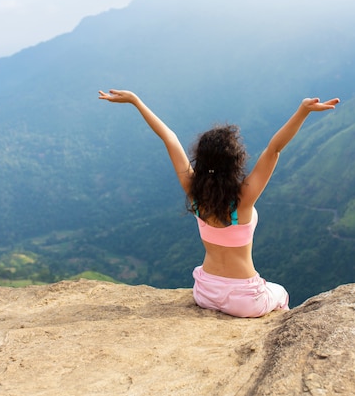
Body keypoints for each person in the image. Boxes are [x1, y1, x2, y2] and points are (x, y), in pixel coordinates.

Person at [98, 89, 339, 317]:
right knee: (281, 293)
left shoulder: (194, 190)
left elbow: (168, 137)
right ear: (236, 160)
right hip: (246, 299)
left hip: (204, 292)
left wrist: (136, 101)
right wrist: (303, 111)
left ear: (200, 160)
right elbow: (274, 150)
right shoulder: (243, 198)